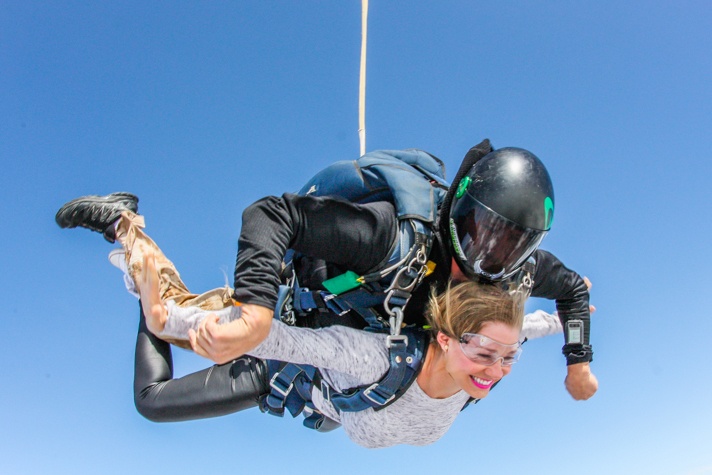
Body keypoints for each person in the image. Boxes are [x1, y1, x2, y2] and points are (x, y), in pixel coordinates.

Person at [56, 140, 597, 400]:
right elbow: (272, 214)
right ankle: (125, 224)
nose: (487, 257)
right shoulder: (389, 236)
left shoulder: (511, 274)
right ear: (457, 206)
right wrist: (256, 314)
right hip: (292, 324)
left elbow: (572, 289)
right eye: (481, 230)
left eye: (512, 245)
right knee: (155, 385)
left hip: (345, 369)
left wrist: (578, 362)